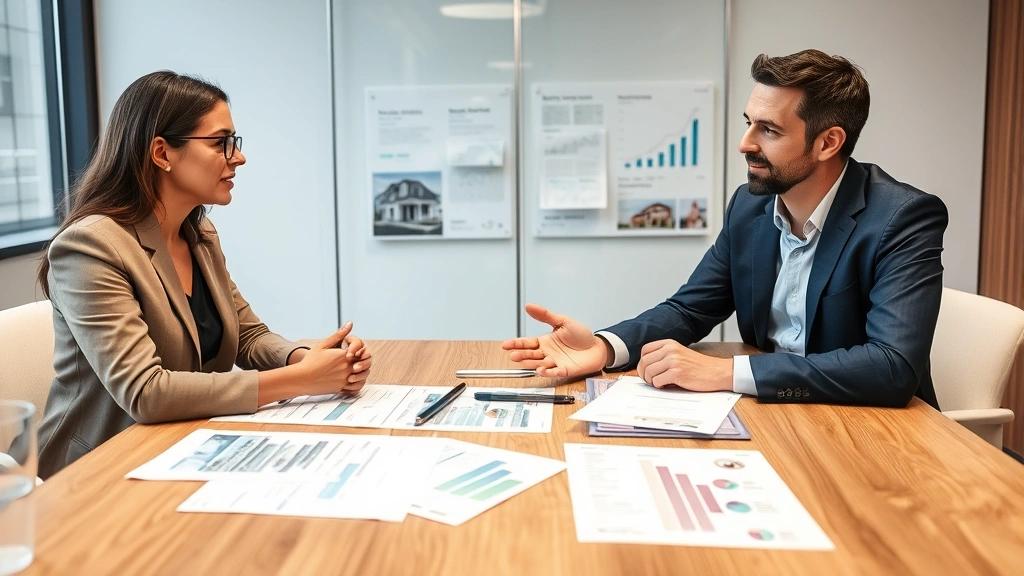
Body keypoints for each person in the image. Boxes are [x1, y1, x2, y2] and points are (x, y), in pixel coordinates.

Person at [503, 49, 947, 409]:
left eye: (769, 129)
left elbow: (892, 368)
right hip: (777, 414)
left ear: (828, 142)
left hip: (873, 433)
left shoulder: (902, 218)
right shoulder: (750, 206)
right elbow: (689, 310)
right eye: (748, 122)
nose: (746, 143)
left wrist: (726, 372)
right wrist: (604, 348)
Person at [35, 71, 372, 478]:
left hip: (185, 448)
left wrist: (311, 359)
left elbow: (248, 336)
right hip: (100, 470)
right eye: (220, 143)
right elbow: (146, 392)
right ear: (162, 153)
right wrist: (302, 379)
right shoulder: (90, 246)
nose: (238, 157)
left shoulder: (198, 233)